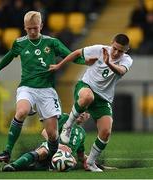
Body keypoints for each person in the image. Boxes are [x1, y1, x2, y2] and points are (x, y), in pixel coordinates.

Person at [0, 11, 84, 164]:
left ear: (41, 26)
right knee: (22, 111)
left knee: (52, 135)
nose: (32, 31)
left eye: (35, 28)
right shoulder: (19, 43)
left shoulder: (52, 42)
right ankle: (7, 152)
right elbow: (9, 56)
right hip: (27, 88)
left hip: (47, 91)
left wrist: (88, 61)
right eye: (29, 28)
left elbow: (71, 55)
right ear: (25, 28)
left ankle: (52, 158)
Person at [49, 33, 133, 172]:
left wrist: (108, 63)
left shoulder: (127, 60)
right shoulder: (100, 49)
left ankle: (90, 163)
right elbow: (76, 53)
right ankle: (67, 127)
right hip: (85, 87)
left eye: (121, 51)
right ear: (111, 42)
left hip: (104, 98)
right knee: (88, 97)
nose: (117, 52)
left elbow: (120, 71)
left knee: (106, 132)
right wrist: (59, 65)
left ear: (126, 50)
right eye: (115, 48)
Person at [2, 112, 90, 171]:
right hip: (52, 147)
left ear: (88, 117)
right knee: (43, 152)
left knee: (70, 162)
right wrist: (58, 146)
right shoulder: (65, 118)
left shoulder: (82, 133)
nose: (83, 113)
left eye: (86, 112)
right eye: (82, 110)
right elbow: (44, 132)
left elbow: (81, 156)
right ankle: (13, 166)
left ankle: (48, 166)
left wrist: (90, 161)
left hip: (65, 158)